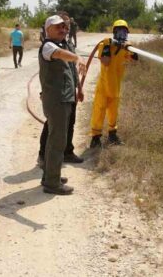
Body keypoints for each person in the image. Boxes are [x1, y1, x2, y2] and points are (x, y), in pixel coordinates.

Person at [38, 15, 86, 195]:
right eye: (58, 27)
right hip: (56, 100)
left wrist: (78, 88)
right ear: (48, 29)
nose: (63, 30)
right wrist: (77, 58)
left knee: (56, 140)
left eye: (65, 27)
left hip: (65, 98)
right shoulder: (49, 46)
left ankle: (51, 175)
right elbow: (58, 54)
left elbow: (70, 72)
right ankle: (52, 183)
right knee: (57, 142)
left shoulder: (63, 45)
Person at [89, 19, 138, 148]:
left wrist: (130, 48)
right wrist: (108, 45)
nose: (122, 33)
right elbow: (105, 61)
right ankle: (95, 138)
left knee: (113, 112)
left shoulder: (125, 48)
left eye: (124, 31)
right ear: (114, 32)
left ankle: (112, 135)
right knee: (99, 111)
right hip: (104, 87)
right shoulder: (105, 44)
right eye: (119, 31)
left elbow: (135, 60)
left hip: (116, 86)